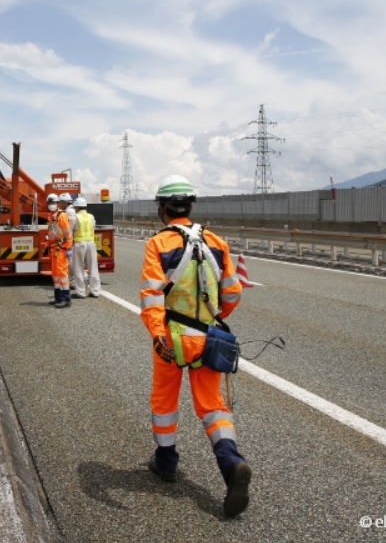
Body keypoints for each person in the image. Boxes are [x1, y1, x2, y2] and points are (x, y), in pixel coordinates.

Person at [139, 175, 250, 518]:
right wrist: (215, 319)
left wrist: (159, 334)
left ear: (162, 208)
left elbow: (152, 295)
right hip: (209, 338)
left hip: (173, 338)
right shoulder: (215, 241)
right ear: (191, 206)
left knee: (164, 400)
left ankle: (167, 462)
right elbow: (233, 292)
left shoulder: (158, 244)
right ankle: (232, 464)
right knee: (212, 406)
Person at [46, 192, 74, 308]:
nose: (51, 205)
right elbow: (51, 234)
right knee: (56, 275)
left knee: (62, 275)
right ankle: (58, 297)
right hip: (54, 249)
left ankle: (66, 299)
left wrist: (68, 247)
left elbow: (68, 234)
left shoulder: (61, 216)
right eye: (50, 203)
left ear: (57, 203)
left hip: (62, 249)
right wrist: (47, 245)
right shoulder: (51, 216)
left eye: (53, 203)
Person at [71, 197, 101, 298]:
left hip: (79, 243)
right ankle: (95, 291)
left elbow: (70, 230)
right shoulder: (91, 217)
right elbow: (93, 227)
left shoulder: (75, 217)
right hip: (91, 243)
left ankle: (80, 292)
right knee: (93, 267)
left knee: (79, 268)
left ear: (78, 207)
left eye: (75, 207)